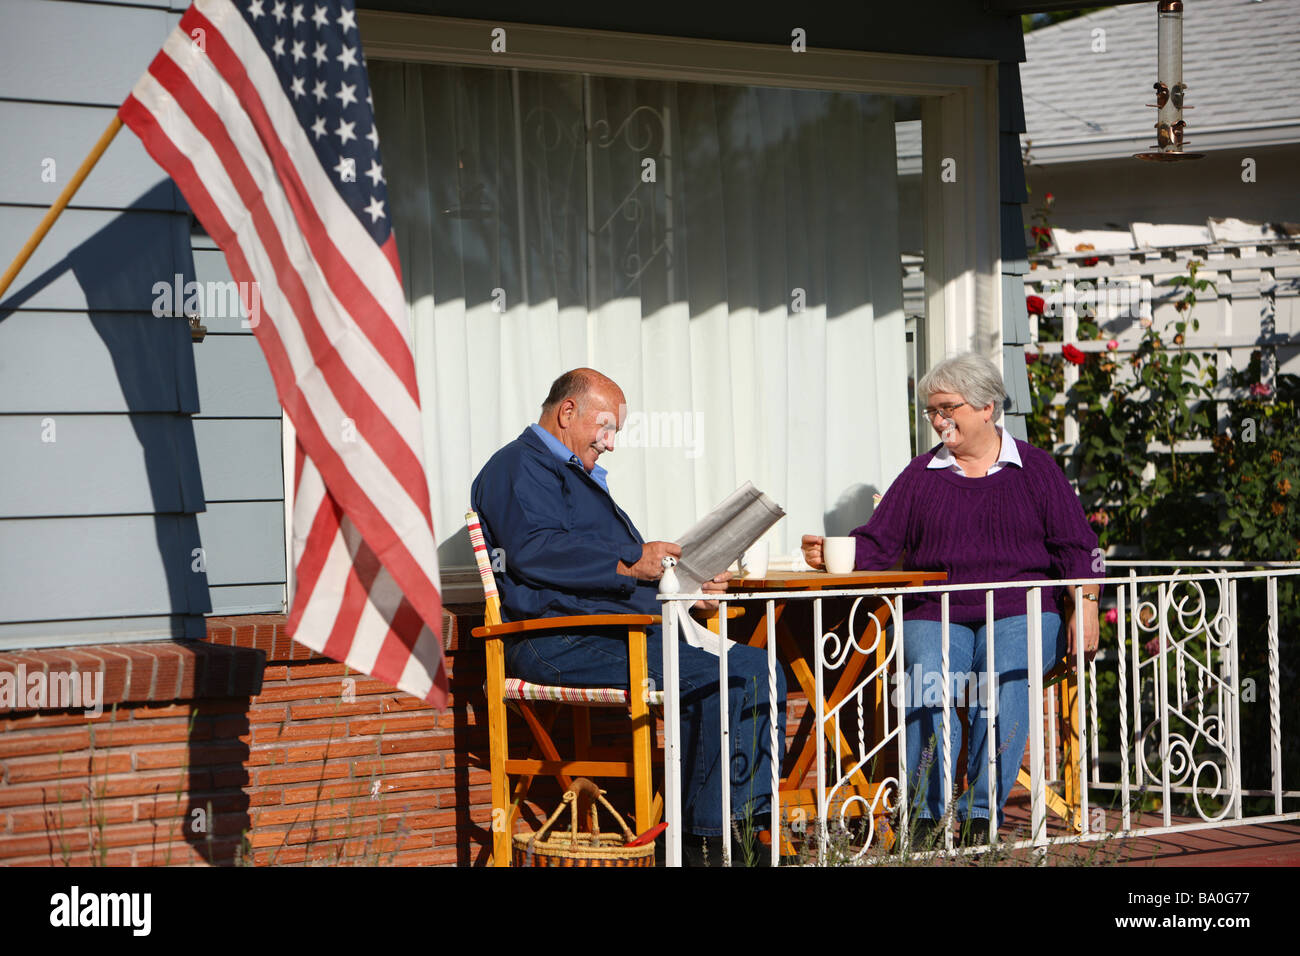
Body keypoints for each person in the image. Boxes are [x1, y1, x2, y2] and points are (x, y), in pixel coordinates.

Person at [471, 368, 786, 859]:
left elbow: (610, 573)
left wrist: (683, 588)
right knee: (728, 678)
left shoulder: (571, 475)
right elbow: (535, 550)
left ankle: (740, 831)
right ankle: (707, 844)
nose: (611, 443)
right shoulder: (516, 467)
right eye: (607, 427)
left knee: (755, 668)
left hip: (613, 633)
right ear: (567, 412)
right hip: (556, 640)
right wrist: (629, 561)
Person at [801, 352, 1100, 843]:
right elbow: (879, 544)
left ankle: (981, 815)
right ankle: (924, 813)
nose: (938, 420)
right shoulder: (921, 475)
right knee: (926, 685)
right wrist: (832, 552)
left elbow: (1080, 547)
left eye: (947, 408)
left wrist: (1084, 606)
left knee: (1001, 688)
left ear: (987, 407)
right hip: (938, 609)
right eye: (931, 411)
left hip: (1020, 607)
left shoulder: (1037, 470)